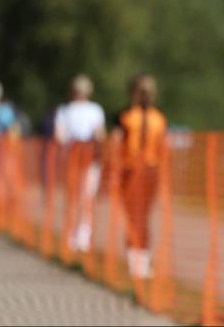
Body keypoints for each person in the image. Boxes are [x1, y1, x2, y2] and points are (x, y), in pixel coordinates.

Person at [111, 74, 167, 279]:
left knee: (140, 216)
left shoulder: (157, 119)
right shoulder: (126, 117)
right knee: (135, 217)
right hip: (131, 170)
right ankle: (136, 258)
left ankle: (140, 259)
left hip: (147, 171)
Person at [54, 74, 106, 253]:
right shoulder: (95, 110)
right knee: (87, 198)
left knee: (72, 198)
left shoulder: (64, 110)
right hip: (88, 159)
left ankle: (71, 236)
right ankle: (83, 237)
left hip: (72, 158)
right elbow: (100, 135)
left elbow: (60, 137)